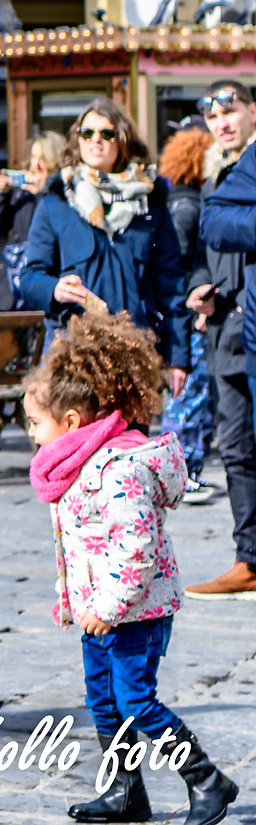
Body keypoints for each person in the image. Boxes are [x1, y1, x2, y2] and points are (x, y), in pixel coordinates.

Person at [24, 311, 236, 825]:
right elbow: (79, 543)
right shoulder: (77, 462)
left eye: (34, 422)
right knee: (103, 701)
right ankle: (124, 793)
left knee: (136, 701)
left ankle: (207, 780)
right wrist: (72, 596)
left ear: (71, 422)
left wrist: (107, 605)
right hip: (100, 610)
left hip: (134, 611)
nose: (29, 433)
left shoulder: (119, 468)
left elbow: (134, 548)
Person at [14, 99, 189, 409]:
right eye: (87, 133)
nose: (96, 140)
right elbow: (29, 278)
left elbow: (172, 285)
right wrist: (54, 288)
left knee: (127, 453)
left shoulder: (151, 204)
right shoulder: (56, 201)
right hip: (72, 355)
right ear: (76, 139)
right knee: (70, 453)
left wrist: (177, 359)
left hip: (134, 354)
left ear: (123, 140)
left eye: (107, 134)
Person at [193, 79, 256, 596]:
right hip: (225, 330)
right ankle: (249, 557)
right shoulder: (215, 179)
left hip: (250, 322)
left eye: (231, 110)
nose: (223, 122)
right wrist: (197, 287)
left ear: (252, 111)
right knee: (234, 447)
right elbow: (199, 248)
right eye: (213, 116)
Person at [158, 127, 217, 500]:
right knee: (188, 397)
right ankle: (182, 473)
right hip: (188, 318)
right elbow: (177, 264)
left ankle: (185, 470)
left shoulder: (179, 200)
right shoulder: (188, 205)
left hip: (184, 314)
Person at [0, 134, 67, 311]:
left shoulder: (60, 191)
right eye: (34, 157)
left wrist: (41, 193)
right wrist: (2, 194)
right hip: (13, 271)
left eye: (43, 158)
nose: (37, 164)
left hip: (44, 272)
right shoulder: (22, 190)